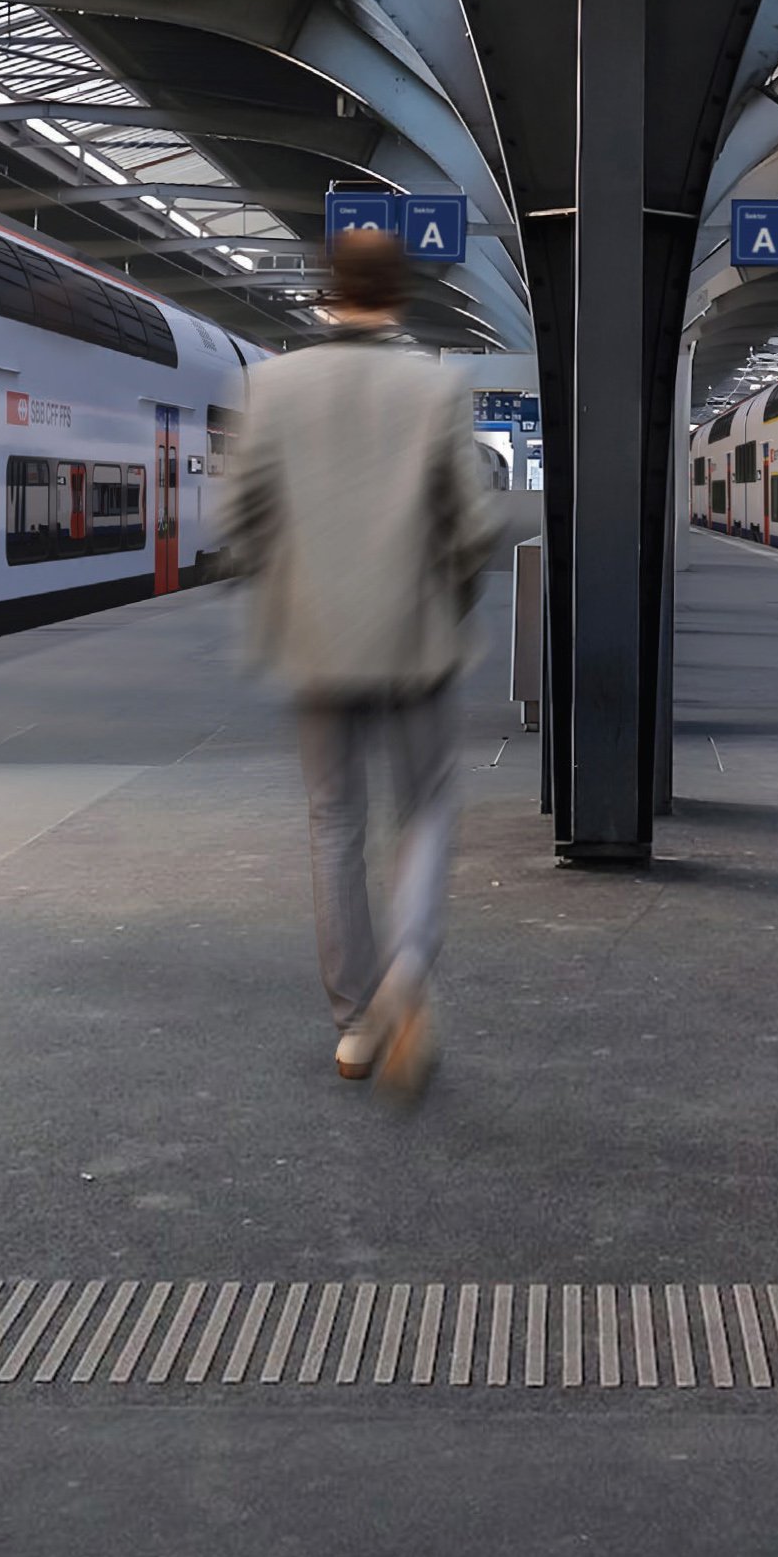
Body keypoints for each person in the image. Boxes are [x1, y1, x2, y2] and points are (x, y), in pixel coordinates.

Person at [219, 225, 501, 1094]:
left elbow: (237, 524)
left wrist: (290, 584)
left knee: (333, 825)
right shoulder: (435, 388)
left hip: (315, 644)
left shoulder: (271, 386)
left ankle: (351, 1027)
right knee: (425, 808)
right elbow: (475, 525)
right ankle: (408, 968)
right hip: (414, 642)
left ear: (326, 288)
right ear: (402, 295)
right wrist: (448, 597)